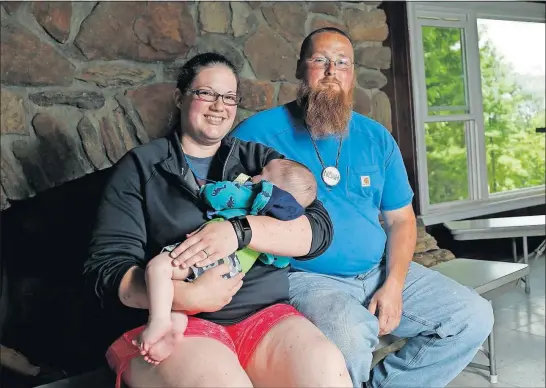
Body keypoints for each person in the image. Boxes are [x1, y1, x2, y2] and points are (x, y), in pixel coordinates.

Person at [232, 27, 494, 388]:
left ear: (352, 74)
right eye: (320, 60)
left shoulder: (376, 137)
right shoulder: (256, 133)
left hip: (377, 270)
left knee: (472, 316)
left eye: (342, 63)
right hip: (308, 279)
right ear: (299, 68)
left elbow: (401, 220)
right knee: (349, 338)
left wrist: (394, 284)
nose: (330, 72)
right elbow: (227, 207)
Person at [83, 52, 352, 388]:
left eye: (229, 97)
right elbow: (106, 272)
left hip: (264, 315)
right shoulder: (140, 167)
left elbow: (318, 229)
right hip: (174, 321)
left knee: (328, 369)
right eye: (206, 93)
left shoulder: (258, 159)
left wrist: (241, 231)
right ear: (180, 98)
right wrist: (190, 296)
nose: (218, 106)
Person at [136, 158, 317, 364]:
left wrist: (233, 186)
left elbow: (213, 196)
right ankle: (173, 331)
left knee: (157, 269)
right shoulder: (281, 224)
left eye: (263, 173)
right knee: (179, 305)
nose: (255, 174)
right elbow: (279, 260)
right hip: (231, 271)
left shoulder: (250, 193)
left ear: (272, 187)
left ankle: (158, 321)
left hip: (207, 251)